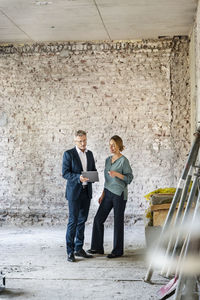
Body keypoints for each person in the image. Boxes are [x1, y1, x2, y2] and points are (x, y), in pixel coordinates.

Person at [88, 135, 133, 258]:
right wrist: (103, 194)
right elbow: (107, 180)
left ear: (119, 145)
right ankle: (97, 248)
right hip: (108, 192)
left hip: (119, 194)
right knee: (98, 219)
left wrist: (117, 174)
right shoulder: (108, 160)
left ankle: (117, 251)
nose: (111, 147)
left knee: (118, 222)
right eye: (110, 145)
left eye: (113, 145)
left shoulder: (124, 161)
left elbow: (129, 178)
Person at [62, 130, 97, 262]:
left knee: (82, 221)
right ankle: (70, 252)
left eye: (84, 140)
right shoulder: (68, 154)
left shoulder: (90, 154)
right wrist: (78, 177)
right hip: (74, 193)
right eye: (80, 141)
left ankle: (79, 248)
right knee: (73, 221)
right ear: (75, 141)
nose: (83, 143)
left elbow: (93, 170)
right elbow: (65, 173)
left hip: (86, 192)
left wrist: (93, 177)